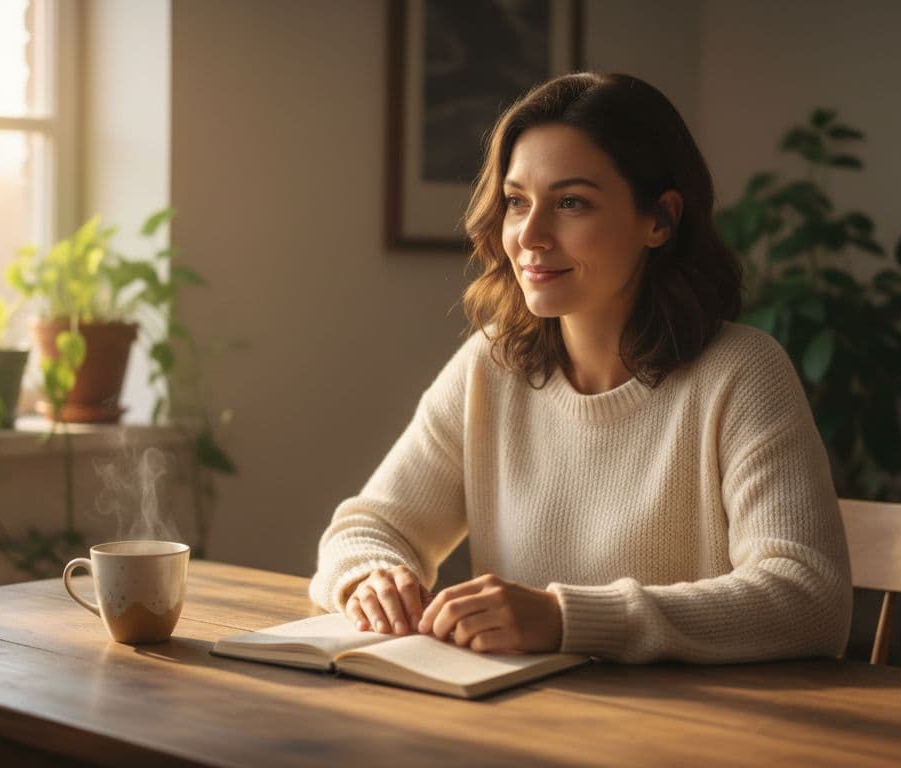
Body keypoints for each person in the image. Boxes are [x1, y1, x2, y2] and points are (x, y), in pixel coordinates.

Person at [309, 72, 852, 663]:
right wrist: (373, 578)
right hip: (521, 724)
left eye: (571, 203)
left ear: (661, 220)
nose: (530, 236)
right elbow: (366, 527)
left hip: (688, 735)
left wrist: (569, 619)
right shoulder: (491, 366)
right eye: (517, 202)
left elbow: (810, 599)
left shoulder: (742, 374)